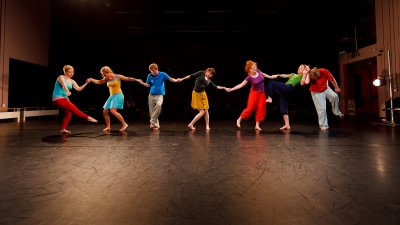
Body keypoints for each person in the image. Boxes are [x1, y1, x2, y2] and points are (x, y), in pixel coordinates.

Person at [88, 66, 142, 132]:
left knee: (113, 111)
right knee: (105, 111)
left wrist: (136, 79)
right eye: (103, 75)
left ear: (108, 72)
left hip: (118, 95)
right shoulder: (106, 78)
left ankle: (124, 124)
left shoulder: (117, 76)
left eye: (105, 74)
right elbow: (99, 82)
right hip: (112, 96)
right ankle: (108, 126)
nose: (104, 76)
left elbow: (128, 78)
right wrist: (91, 79)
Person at [227, 60, 275, 130]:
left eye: (256, 66)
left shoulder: (258, 71)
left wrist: (270, 77)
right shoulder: (249, 77)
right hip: (254, 94)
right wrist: (231, 89)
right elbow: (241, 85)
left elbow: (263, 74)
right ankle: (239, 119)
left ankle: (257, 125)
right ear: (250, 69)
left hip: (262, 93)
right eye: (254, 67)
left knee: (261, 108)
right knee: (250, 108)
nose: (256, 68)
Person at [52, 65, 98, 135]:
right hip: (58, 98)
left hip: (65, 99)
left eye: (72, 72)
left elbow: (78, 89)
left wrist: (86, 83)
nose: (72, 73)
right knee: (74, 108)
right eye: (70, 72)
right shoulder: (61, 77)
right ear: (65, 72)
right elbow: (63, 84)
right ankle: (87, 117)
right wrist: (67, 91)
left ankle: (63, 129)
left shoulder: (72, 81)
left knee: (69, 113)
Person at [265, 64, 310, 130]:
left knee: (272, 83)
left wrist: (306, 73)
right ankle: (287, 124)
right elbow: (285, 75)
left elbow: (303, 83)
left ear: (304, 70)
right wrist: (277, 75)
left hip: (289, 88)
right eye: (298, 67)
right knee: (283, 105)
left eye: (301, 68)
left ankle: (270, 98)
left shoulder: (302, 76)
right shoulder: (293, 74)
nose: (298, 69)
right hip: (285, 90)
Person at [136, 63, 180, 130]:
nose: (152, 72)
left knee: (159, 105)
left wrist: (176, 80)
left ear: (156, 69)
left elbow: (170, 79)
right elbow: (148, 85)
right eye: (151, 71)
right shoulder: (149, 75)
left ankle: (152, 122)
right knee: (152, 112)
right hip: (151, 95)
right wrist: (142, 83)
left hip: (159, 95)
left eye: (153, 70)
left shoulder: (162, 74)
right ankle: (156, 125)